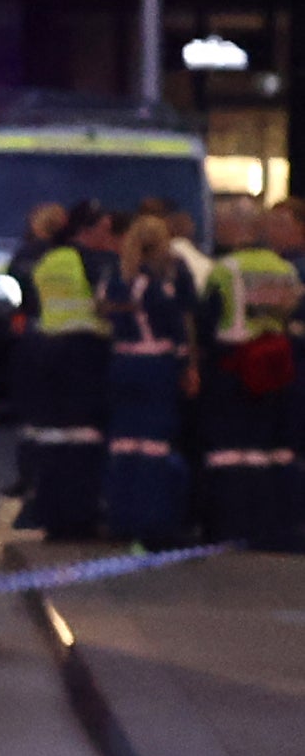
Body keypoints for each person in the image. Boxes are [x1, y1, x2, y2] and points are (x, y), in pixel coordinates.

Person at [104, 205, 211, 546]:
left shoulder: (117, 278)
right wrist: (187, 365)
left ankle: (120, 516)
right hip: (157, 368)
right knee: (154, 445)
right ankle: (154, 521)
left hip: (122, 363)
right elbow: (180, 323)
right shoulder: (166, 277)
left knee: (125, 443)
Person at [10, 200, 112, 537]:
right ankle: (78, 515)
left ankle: (49, 511)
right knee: (83, 438)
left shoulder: (49, 259)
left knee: (52, 436)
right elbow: (104, 304)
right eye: (104, 232)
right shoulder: (91, 261)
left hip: (45, 350)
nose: (107, 239)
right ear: (87, 231)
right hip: (83, 353)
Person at [209, 198, 301, 552]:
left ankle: (232, 525)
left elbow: (208, 315)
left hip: (235, 362)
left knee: (232, 451)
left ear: (235, 229)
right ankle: (268, 524)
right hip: (277, 362)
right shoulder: (284, 269)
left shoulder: (226, 269)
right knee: (268, 449)